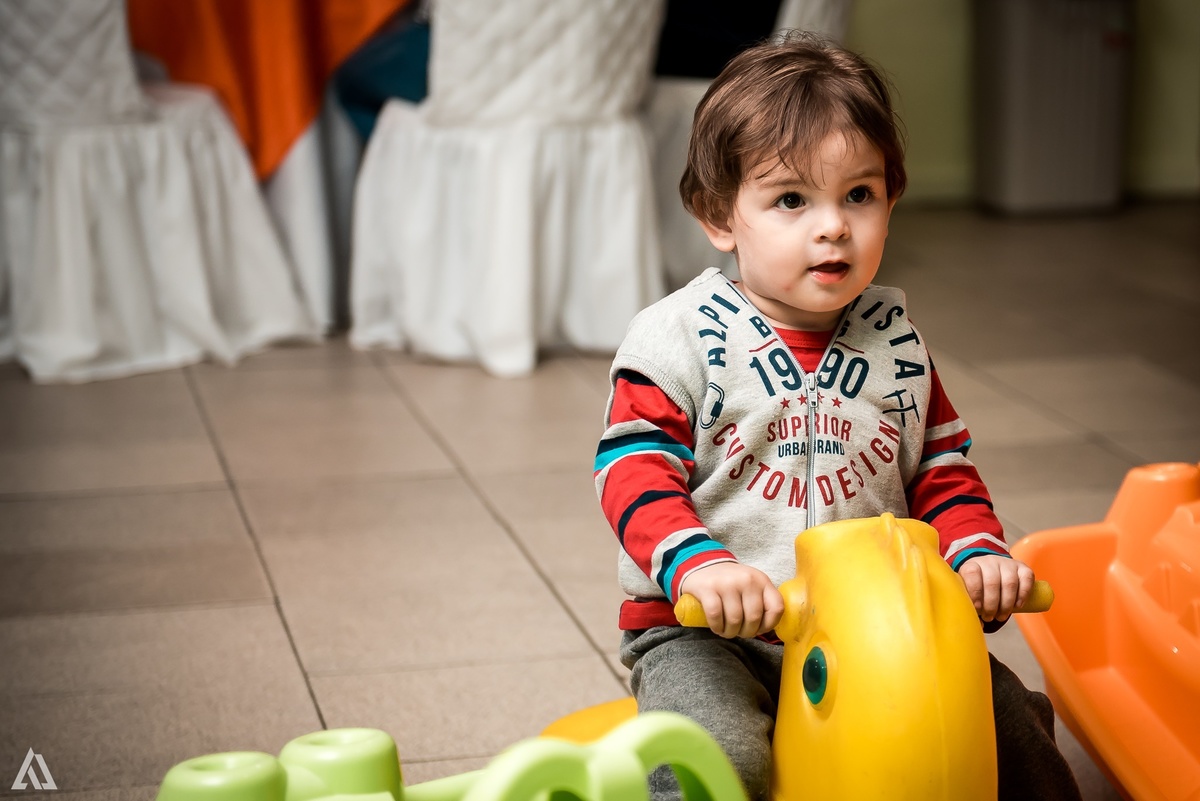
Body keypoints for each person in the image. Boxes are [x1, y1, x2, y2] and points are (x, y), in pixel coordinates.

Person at [593, 31, 1082, 801]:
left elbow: (941, 472)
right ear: (719, 216)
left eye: (859, 194)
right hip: (713, 630)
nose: (833, 226)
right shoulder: (676, 337)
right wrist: (702, 564)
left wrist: (976, 553)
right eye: (792, 199)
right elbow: (631, 471)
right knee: (723, 760)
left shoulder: (899, 343)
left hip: (877, 625)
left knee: (1010, 729)